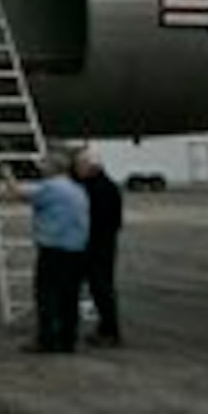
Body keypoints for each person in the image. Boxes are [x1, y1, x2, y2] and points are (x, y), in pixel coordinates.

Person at [1, 150, 89, 353]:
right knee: (70, 298)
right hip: (77, 250)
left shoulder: (50, 188)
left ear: (54, 168)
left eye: (45, 165)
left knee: (47, 296)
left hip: (54, 250)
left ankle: (46, 341)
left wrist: (7, 175)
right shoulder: (77, 189)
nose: (41, 168)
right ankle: (68, 341)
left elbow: (17, 194)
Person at [75, 148, 124, 346]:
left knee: (101, 289)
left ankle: (110, 332)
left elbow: (98, 220)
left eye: (80, 166)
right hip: (104, 245)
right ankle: (106, 329)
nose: (77, 170)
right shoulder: (106, 186)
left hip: (95, 246)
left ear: (91, 167)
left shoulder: (98, 189)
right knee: (100, 289)